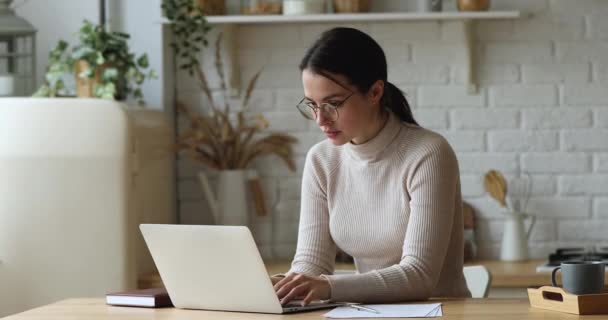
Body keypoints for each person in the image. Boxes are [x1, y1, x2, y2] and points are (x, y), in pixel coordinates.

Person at [271, 27, 471, 306]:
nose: (320, 120)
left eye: (333, 103)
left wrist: (328, 286)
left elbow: (419, 275)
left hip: (442, 312)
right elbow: (311, 263)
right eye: (312, 105)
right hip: (369, 312)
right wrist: (285, 284)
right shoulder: (321, 160)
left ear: (375, 91)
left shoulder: (428, 153)